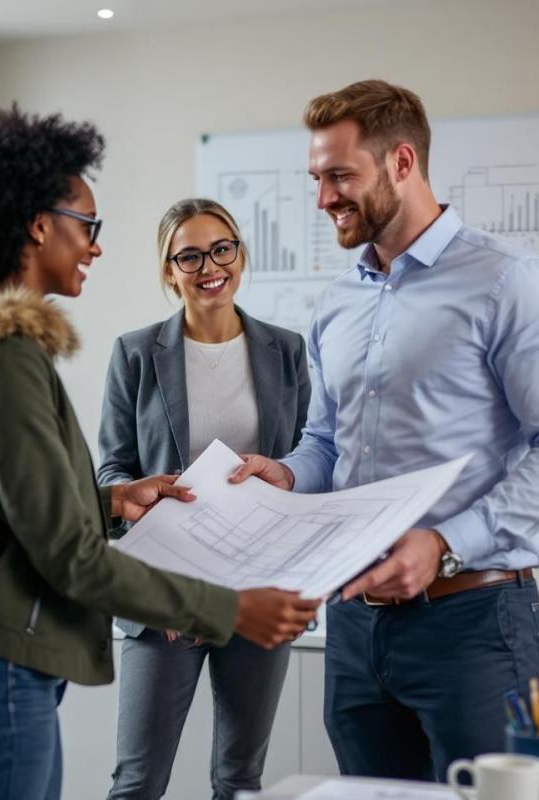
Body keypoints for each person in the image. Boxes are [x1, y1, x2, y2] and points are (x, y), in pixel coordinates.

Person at [0, 106, 320, 800]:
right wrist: (228, 610)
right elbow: (69, 555)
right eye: (89, 226)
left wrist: (112, 500)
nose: (96, 246)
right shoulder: (4, 360)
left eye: (224, 249)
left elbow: (20, 510)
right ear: (39, 224)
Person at [229, 80, 539, 782]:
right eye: (316, 178)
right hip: (354, 629)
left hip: (475, 622)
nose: (323, 199)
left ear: (403, 163)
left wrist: (444, 546)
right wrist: (282, 473)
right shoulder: (337, 303)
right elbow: (326, 445)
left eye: (341, 176)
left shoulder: (508, 283)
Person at [97, 198, 311, 800]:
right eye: (188, 255)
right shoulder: (136, 353)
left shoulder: (286, 350)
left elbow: (307, 458)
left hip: (260, 583)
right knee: (137, 781)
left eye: (222, 248)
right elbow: (113, 466)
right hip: (166, 591)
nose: (209, 266)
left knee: (239, 779)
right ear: (169, 271)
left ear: (240, 254)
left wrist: (285, 475)